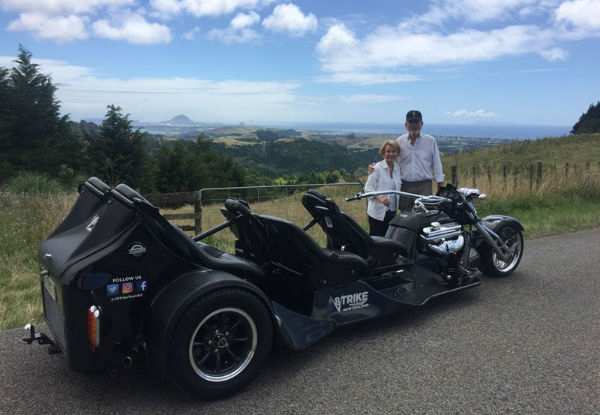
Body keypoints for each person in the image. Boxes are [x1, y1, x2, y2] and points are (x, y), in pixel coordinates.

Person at [369, 110, 444, 212]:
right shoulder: (399, 141)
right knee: (406, 215)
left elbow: (436, 163)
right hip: (405, 186)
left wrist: (440, 184)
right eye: (411, 122)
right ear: (406, 125)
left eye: (416, 122)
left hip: (424, 186)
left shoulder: (430, 141)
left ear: (421, 124)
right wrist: (376, 167)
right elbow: (392, 161)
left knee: (425, 215)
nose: (414, 125)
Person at [364, 140, 402, 236]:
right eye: (388, 151)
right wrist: (380, 198)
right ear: (383, 153)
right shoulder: (376, 168)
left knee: (389, 239)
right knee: (376, 239)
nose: (391, 154)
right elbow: (368, 189)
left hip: (392, 212)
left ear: (397, 153)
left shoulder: (398, 168)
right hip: (377, 213)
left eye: (393, 151)